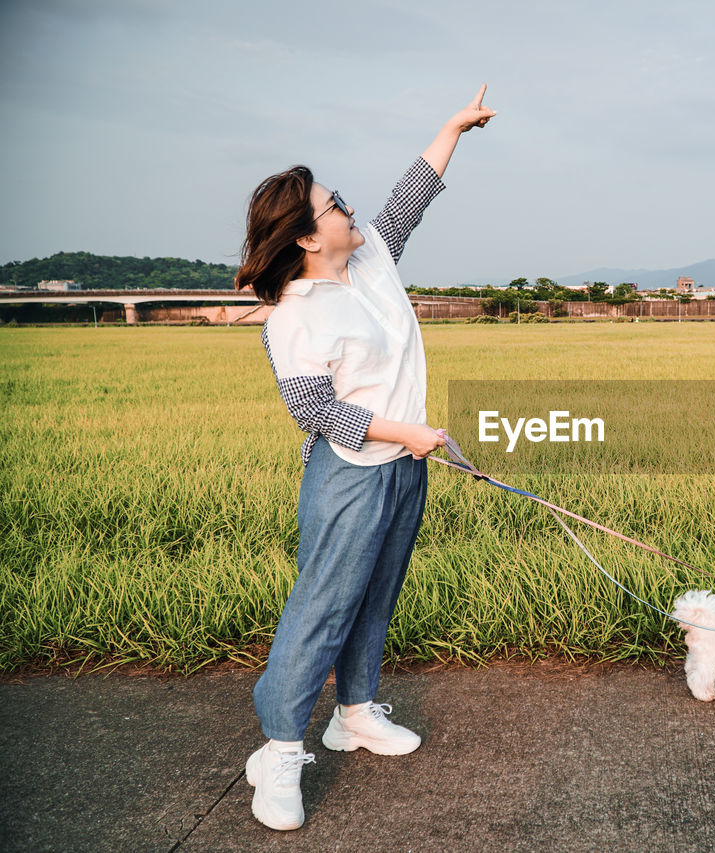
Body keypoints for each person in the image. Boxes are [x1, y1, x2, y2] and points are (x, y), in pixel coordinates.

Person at [233, 85, 496, 831]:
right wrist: (404, 432)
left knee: (377, 595)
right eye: (333, 202)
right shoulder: (294, 316)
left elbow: (410, 197)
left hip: (403, 467)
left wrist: (452, 128)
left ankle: (353, 712)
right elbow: (312, 411)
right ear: (309, 239)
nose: (347, 207)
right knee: (321, 609)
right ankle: (280, 748)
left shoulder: (371, 253)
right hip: (349, 475)